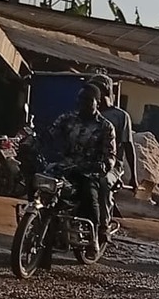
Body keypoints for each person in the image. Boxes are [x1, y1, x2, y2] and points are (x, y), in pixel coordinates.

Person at [47, 76, 118, 241]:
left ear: (97, 103)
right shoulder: (67, 119)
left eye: (88, 100)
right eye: (80, 99)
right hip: (64, 167)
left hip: (87, 171)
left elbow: (110, 156)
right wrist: (32, 142)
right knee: (39, 183)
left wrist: (102, 165)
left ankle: (95, 236)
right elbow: (50, 135)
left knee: (89, 195)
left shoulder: (105, 127)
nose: (83, 103)